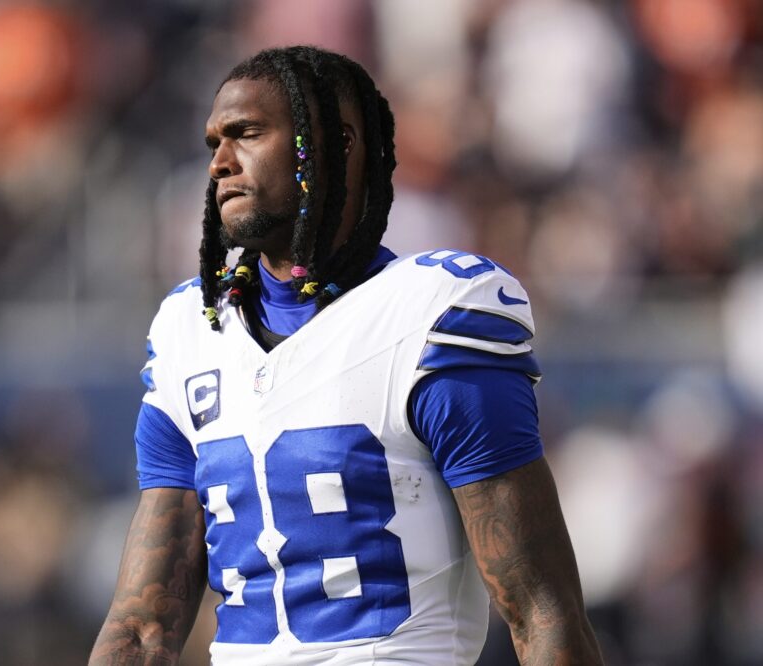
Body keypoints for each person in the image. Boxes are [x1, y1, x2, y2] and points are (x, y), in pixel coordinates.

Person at [90, 46, 602, 665]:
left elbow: (541, 611)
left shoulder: (430, 316)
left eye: (246, 133)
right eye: (214, 143)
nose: (220, 162)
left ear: (335, 144)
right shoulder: (190, 330)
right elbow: (142, 625)